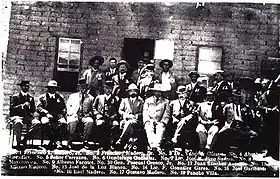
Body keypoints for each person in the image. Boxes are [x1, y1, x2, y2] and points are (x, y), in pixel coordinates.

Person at [10, 80, 40, 149]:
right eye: (24, 86)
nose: (26, 88)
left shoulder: (30, 98)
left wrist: (29, 106)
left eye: (27, 86)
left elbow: (33, 110)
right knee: (18, 122)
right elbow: (12, 108)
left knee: (37, 123)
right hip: (17, 116)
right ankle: (18, 143)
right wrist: (22, 106)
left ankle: (25, 140)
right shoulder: (15, 97)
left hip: (27, 116)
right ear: (21, 87)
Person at [37, 80, 67, 149]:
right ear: (48, 88)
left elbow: (64, 108)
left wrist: (61, 114)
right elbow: (39, 107)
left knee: (63, 123)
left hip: (57, 116)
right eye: (51, 87)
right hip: (46, 116)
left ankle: (52, 141)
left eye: (54, 88)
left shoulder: (60, 97)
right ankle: (55, 141)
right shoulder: (42, 97)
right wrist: (46, 113)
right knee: (45, 122)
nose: (53, 89)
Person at [66, 78, 95, 149]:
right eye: (81, 87)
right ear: (78, 87)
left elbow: (93, 109)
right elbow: (68, 106)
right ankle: (70, 140)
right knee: (72, 121)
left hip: (84, 116)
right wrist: (72, 113)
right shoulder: (73, 96)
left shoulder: (90, 97)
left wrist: (89, 114)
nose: (83, 88)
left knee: (90, 121)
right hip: (74, 114)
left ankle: (85, 141)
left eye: (85, 87)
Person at [143, 83, 171, 154]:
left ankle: (157, 146)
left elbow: (167, 114)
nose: (157, 93)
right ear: (153, 91)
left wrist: (163, 122)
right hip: (150, 120)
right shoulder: (148, 101)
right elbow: (145, 111)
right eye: (156, 91)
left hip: (160, 121)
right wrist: (147, 121)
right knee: (149, 128)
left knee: (160, 129)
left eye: (159, 91)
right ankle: (152, 146)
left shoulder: (165, 101)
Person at [116, 83, 145, 150]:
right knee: (129, 124)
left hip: (136, 121)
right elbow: (120, 110)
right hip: (125, 119)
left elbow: (142, 112)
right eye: (131, 91)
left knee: (130, 123)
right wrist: (126, 115)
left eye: (134, 91)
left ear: (137, 92)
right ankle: (127, 143)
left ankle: (121, 140)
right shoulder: (124, 100)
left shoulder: (141, 101)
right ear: (128, 92)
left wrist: (136, 116)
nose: (133, 92)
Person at [93, 81, 120, 150]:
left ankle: (111, 144)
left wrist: (114, 116)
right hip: (101, 117)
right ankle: (101, 144)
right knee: (100, 124)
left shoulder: (116, 99)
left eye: (110, 88)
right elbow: (93, 108)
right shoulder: (99, 97)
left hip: (111, 118)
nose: (108, 90)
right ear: (104, 89)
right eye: (107, 88)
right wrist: (97, 114)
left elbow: (118, 110)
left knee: (115, 125)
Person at [170, 86, 199, 150]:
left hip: (187, 122)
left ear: (186, 94)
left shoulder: (190, 103)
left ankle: (175, 137)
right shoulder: (173, 103)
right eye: (179, 93)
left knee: (183, 121)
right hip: (175, 121)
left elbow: (193, 114)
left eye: (183, 93)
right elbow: (169, 113)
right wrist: (174, 118)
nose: (181, 95)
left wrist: (186, 118)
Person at [258, 75, 279, 160]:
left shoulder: (276, 95)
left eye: (266, 84)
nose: (264, 86)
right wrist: (267, 109)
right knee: (266, 135)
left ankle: (275, 151)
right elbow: (259, 106)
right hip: (266, 118)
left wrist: (275, 108)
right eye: (263, 84)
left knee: (275, 135)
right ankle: (268, 151)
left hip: (275, 118)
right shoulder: (263, 95)